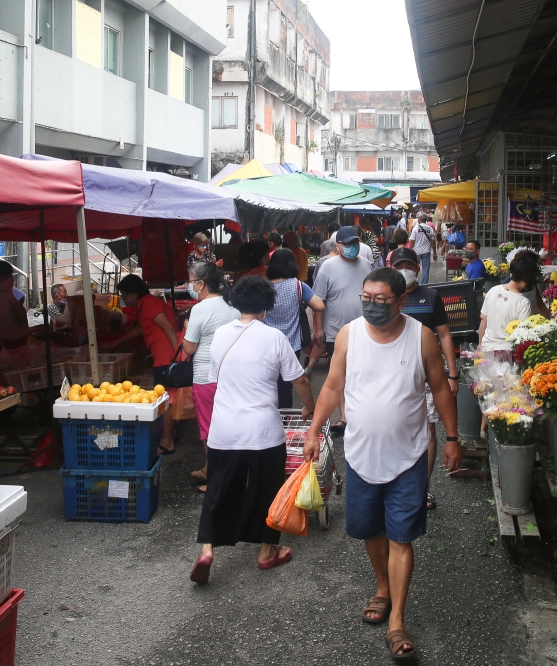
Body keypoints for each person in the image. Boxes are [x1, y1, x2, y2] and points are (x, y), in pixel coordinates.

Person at [303, 268, 459, 660]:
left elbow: (440, 388)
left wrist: (453, 439)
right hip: (359, 456)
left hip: (408, 458)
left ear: (401, 300)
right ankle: (382, 587)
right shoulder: (349, 336)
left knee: (401, 537)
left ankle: (397, 622)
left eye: (381, 300)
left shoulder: (420, 337)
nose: (371, 306)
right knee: (370, 530)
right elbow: (334, 385)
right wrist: (313, 429)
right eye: (366, 299)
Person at [190, 276, 316, 585]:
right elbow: (298, 379)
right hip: (263, 431)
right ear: (267, 306)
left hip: (224, 429)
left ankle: (207, 549)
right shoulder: (274, 337)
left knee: (219, 489)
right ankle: (265, 551)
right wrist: (310, 408)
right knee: (265, 489)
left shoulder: (220, 335)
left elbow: (216, 376)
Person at [390, 248, 460, 510]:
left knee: (429, 427)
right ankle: (397, 482)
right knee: (397, 424)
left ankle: (423, 488)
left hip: (429, 371)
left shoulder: (431, 296)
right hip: (396, 372)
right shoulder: (388, 298)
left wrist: (452, 374)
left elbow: (444, 336)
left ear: (418, 268)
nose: (404, 270)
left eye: (408, 265)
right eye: (399, 267)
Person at [182, 262, 240, 492]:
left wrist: (187, 328)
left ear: (201, 284)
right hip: (232, 374)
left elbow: (188, 348)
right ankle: (212, 468)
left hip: (206, 376)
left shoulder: (201, 309)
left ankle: (217, 479)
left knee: (209, 428)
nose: (189, 285)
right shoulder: (231, 304)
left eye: (191, 280)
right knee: (229, 424)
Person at [107, 275, 180, 455]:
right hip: (165, 356)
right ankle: (169, 436)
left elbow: (169, 328)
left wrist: (178, 357)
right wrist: (116, 344)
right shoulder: (145, 306)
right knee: (167, 400)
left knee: (165, 401)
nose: (124, 299)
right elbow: (141, 328)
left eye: (125, 295)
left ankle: (166, 441)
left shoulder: (149, 303)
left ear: (134, 294)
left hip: (166, 358)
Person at [312, 225, 372, 434]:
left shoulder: (366, 265)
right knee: (340, 375)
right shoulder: (327, 267)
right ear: (338, 246)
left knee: (363, 372)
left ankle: (362, 412)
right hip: (336, 331)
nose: (353, 247)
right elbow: (319, 300)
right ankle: (345, 418)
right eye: (348, 244)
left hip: (365, 329)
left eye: (355, 243)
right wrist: (318, 329)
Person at [264, 249, 326, 408]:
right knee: (286, 385)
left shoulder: (263, 287)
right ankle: (285, 420)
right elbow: (319, 305)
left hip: (266, 344)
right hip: (291, 344)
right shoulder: (298, 286)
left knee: (267, 384)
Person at [477, 253, 537, 352]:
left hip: (486, 349)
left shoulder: (492, 290)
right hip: (508, 353)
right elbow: (524, 335)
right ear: (528, 277)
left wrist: (480, 345)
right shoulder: (523, 302)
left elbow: (483, 319)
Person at [0, 261, 30, 352]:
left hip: (21, 346)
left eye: (10, 276)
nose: (11, 280)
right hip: (8, 349)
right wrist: (1, 350)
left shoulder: (9, 292)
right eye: (5, 277)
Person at [407, 214, 436, 284]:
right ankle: (424, 284)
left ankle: (415, 282)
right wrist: (434, 253)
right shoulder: (430, 228)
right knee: (425, 269)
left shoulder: (416, 228)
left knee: (415, 268)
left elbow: (412, 241)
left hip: (416, 252)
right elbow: (433, 242)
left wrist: (409, 251)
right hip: (426, 251)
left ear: (419, 219)